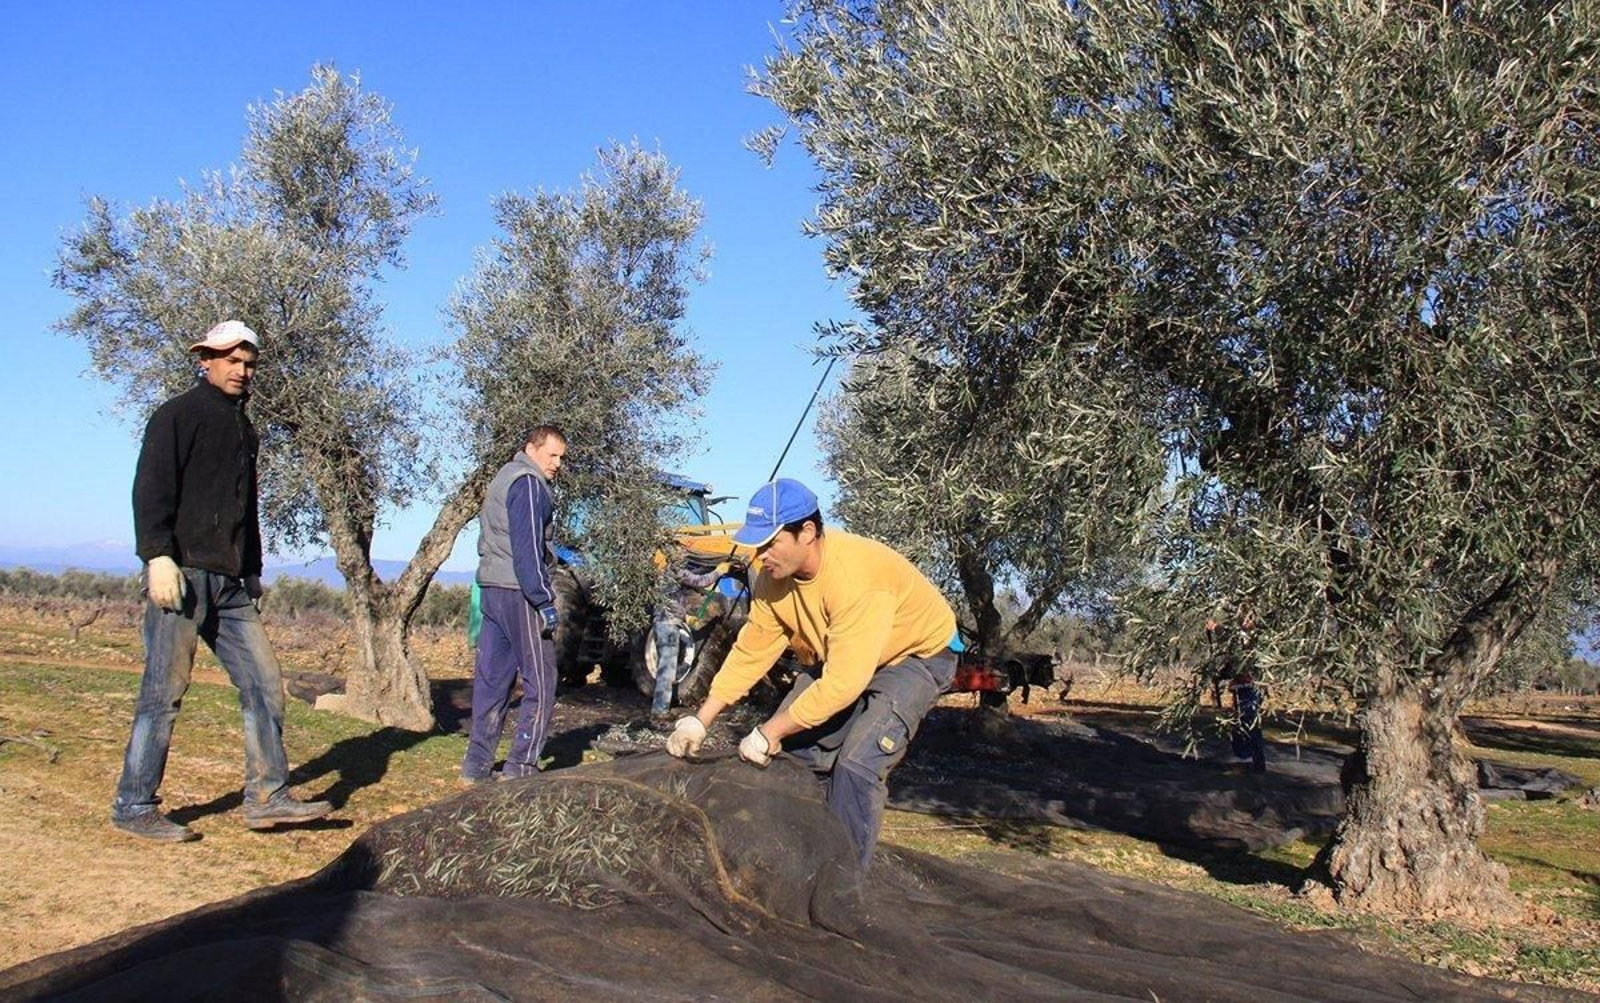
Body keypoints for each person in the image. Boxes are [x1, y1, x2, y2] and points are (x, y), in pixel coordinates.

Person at [665, 478, 958, 872]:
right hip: (845, 655)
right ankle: (797, 865)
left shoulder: (855, 578)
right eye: (756, 543)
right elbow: (752, 651)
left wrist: (770, 731)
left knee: (857, 765)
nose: (761, 554)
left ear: (807, 532)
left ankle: (839, 888)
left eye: (770, 543)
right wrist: (700, 720)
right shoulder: (772, 579)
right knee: (798, 755)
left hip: (915, 657)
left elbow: (842, 686)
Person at [112, 320, 333, 842]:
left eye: (249, 363)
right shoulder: (177, 415)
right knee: (162, 693)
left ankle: (266, 797)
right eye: (232, 360)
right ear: (205, 359)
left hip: (231, 583)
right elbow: (150, 489)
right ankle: (134, 804)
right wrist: (157, 557)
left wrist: (251, 567)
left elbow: (243, 506)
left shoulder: (242, 426)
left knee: (263, 682)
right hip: (182, 573)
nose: (242, 370)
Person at [461, 424, 567, 782]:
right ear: (531, 448)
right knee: (542, 679)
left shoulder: (503, 477)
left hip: (490, 587)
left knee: (492, 680)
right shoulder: (529, 483)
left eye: (561, 457)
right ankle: (521, 764)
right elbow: (527, 550)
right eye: (551, 455)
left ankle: (475, 766)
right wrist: (543, 600)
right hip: (519, 592)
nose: (557, 464)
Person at [648, 559, 732, 720]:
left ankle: (662, 706)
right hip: (668, 624)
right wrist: (719, 571)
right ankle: (659, 710)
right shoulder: (676, 572)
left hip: (662, 623)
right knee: (667, 666)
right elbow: (701, 581)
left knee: (667, 665)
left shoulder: (663, 574)